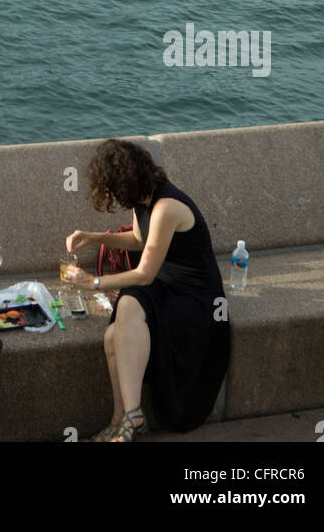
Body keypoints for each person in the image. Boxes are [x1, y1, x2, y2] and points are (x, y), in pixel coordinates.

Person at [65, 138, 230, 442]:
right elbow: (140, 241)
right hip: (166, 285)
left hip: (196, 299)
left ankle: (130, 417)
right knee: (115, 330)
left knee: (126, 309)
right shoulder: (144, 198)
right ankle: (122, 417)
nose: (111, 196)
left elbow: (143, 274)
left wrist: (91, 283)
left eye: (111, 189)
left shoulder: (167, 206)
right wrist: (96, 237)